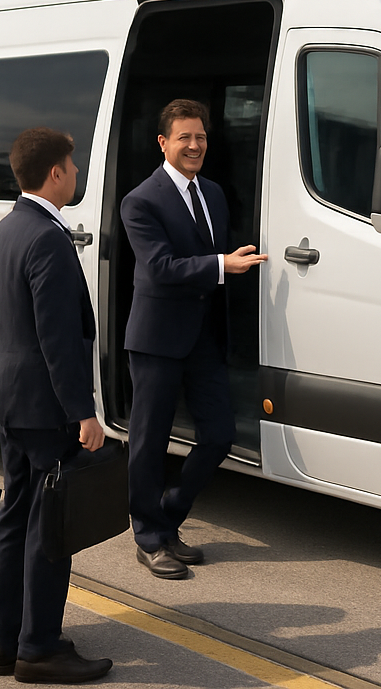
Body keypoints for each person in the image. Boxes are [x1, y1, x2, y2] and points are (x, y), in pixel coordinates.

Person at [0, 128, 111, 683]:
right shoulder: (48, 239)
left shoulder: (6, 230)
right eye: (73, 166)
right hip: (45, 406)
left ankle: (5, 641)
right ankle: (39, 648)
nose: (77, 174)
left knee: (14, 520)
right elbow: (56, 338)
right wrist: (82, 410)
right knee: (51, 527)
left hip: (11, 400)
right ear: (54, 173)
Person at [121, 99, 266, 579]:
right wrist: (225, 264)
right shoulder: (140, 200)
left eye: (200, 137)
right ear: (163, 142)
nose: (194, 145)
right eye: (184, 137)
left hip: (203, 337)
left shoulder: (216, 194)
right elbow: (161, 268)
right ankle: (148, 538)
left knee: (221, 434)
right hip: (158, 338)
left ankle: (168, 514)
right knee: (148, 443)